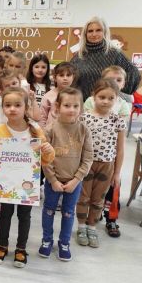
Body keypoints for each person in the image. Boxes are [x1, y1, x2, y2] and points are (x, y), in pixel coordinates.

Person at [0, 87, 55, 268]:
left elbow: (46, 159)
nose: (12, 109)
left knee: (24, 216)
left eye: (17, 105)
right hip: (6, 183)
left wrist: (48, 150)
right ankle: (2, 245)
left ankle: (21, 248)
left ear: (26, 107)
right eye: (8, 105)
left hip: (27, 184)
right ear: (2, 107)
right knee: (5, 215)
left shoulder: (35, 130)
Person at [40, 87, 93, 261]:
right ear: (57, 107)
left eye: (76, 106)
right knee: (48, 210)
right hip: (53, 182)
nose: (71, 109)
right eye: (67, 105)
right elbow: (44, 158)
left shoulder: (84, 130)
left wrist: (76, 180)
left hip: (74, 183)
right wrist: (53, 180)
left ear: (81, 108)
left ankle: (64, 242)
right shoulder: (50, 130)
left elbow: (88, 158)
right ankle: (47, 240)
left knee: (68, 213)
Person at [83, 66, 131, 237]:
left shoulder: (122, 108)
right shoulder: (88, 108)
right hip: (89, 162)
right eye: (110, 79)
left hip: (109, 161)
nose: (114, 83)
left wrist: (117, 172)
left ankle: (110, 220)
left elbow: (120, 146)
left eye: (118, 80)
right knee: (86, 195)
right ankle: (87, 222)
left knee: (109, 192)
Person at [77, 79, 126, 248]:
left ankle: (92, 227)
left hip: (107, 165)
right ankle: (81, 227)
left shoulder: (118, 120)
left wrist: (117, 173)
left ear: (117, 99)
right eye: (102, 97)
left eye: (111, 98)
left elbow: (120, 149)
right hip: (86, 164)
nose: (106, 101)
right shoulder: (84, 118)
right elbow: (78, 144)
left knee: (99, 199)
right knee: (83, 197)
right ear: (93, 96)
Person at [70, 16, 140, 101]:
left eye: (98, 30)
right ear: (85, 34)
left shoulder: (115, 54)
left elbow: (134, 74)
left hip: (108, 105)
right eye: (90, 31)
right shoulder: (78, 56)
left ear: (105, 32)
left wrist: (118, 90)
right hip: (84, 104)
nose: (94, 34)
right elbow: (70, 81)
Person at [39, 62, 77, 129]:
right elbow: (42, 117)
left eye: (68, 75)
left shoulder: (76, 96)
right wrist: (42, 132)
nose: (65, 78)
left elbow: (79, 115)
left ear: (73, 77)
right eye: (61, 75)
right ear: (54, 78)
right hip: (51, 132)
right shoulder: (48, 96)